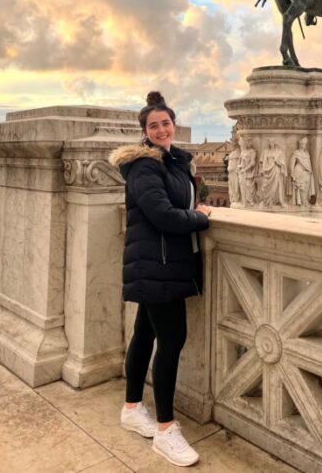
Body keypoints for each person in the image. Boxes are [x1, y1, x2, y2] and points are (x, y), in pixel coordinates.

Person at [109, 91, 212, 467]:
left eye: (166, 123)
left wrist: (193, 208)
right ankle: (166, 430)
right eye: (153, 125)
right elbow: (163, 215)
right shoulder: (144, 166)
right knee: (172, 341)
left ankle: (132, 407)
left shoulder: (172, 163)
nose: (161, 129)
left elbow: (176, 206)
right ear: (144, 132)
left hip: (160, 262)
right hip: (158, 264)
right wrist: (201, 217)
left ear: (173, 124)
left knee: (146, 335)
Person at [289, 137, 315, 206]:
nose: (304, 146)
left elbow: (308, 163)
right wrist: (292, 173)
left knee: (306, 187)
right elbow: (292, 163)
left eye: (305, 144)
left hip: (307, 172)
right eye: (303, 144)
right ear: (300, 144)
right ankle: (301, 201)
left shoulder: (307, 153)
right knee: (301, 187)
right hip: (299, 171)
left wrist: (310, 170)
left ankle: (305, 200)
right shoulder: (296, 152)